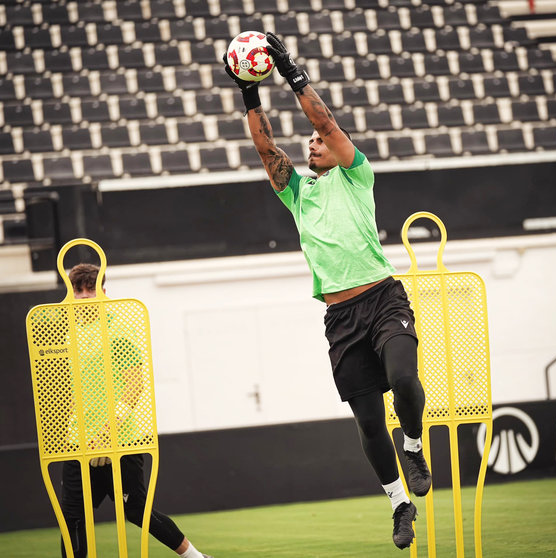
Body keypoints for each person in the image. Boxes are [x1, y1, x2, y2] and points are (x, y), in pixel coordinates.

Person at [224, 33, 432, 550]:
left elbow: (326, 122)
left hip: (383, 298)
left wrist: (289, 71)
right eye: (310, 144)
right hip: (340, 318)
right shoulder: (297, 192)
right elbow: (265, 147)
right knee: (366, 422)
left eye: (317, 142)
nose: (312, 143)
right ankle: (398, 505)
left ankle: (413, 444)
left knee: (404, 380)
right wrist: (249, 92)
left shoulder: (356, 175)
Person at [60, 263, 212, 558]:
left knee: (138, 512)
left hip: (121, 441)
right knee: (72, 521)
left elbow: (134, 384)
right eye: (77, 289)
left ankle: (196, 557)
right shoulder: (65, 336)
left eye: (90, 288)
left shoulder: (119, 329)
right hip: (78, 445)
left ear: (103, 291)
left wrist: (109, 430)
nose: (83, 296)